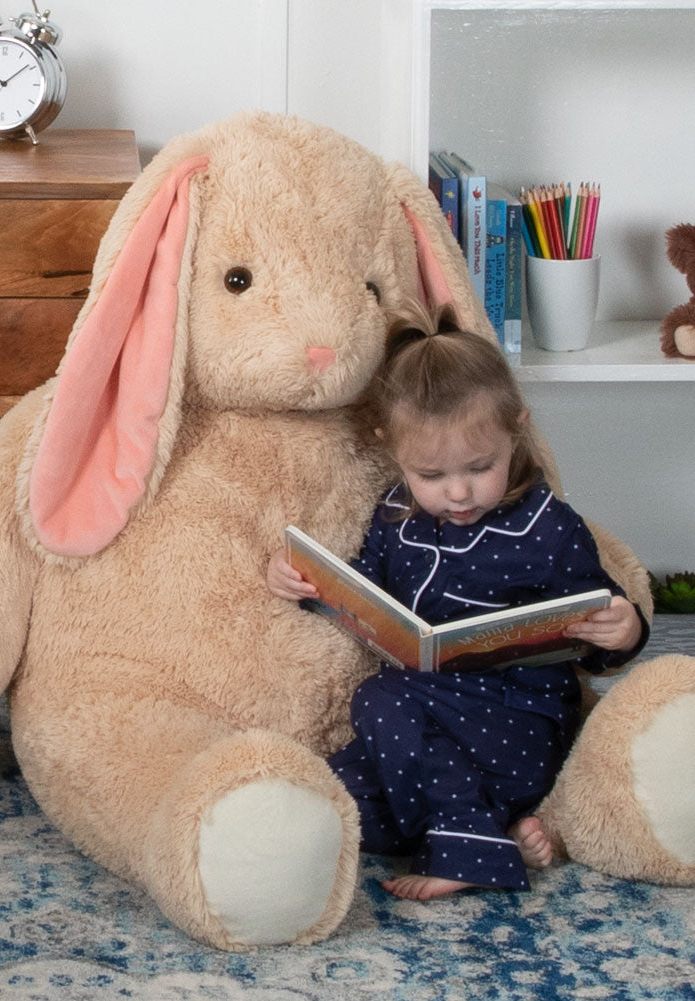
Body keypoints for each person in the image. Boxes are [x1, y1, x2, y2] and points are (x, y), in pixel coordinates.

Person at [267, 301, 647, 901]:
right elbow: (361, 592)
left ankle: (470, 849)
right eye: (432, 475)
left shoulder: (547, 527)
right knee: (340, 794)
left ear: (516, 429)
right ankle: (495, 829)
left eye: (480, 466)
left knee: (380, 698)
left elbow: (595, 626)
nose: (459, 492)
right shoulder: (395, 515)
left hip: (517, 727)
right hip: (425, 735)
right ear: (391, 450)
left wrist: (624, 630)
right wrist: (301, 581)